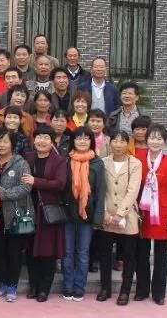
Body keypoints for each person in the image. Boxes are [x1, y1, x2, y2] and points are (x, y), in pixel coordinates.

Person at [135, 124, 167, 306]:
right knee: (142, 254)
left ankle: (159, 292)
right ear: (146, 140)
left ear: (165, 142)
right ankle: (142, 290)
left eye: (159, 138)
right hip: (143, 214)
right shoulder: (138, 159)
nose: (155, 142)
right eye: (152, 138)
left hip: (163, 215)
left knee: (161, 256)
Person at [23, 125, 68, 302]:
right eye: (38, 137)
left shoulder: (59, 161)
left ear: (52, 141)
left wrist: (35, 181)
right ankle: (33, 286)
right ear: (34, 140)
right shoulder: (28, 157)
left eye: (46, 138)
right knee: (31, 251)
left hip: (48, 212)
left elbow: (60, 184)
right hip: (29, 210)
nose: (41, 141)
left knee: (47, 253)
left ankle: (44, 289)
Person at [98, 131, 142, 306]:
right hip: (106, 216)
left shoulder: (135, 163)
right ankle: (105, 288)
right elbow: (100, 190)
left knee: (129, 256)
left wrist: (119, 214)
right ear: (110, 143)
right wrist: (104, 212)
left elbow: (133, 191)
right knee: (104, 255)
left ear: (127, 144)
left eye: (122, 141)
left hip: (127, 216)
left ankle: (125, 291)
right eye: (114, 141)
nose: (118, 145)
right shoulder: (103, 162)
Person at [62, 126, 105, 302]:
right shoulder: (65, 160)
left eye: (86, 138)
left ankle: (79, 287)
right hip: (67, 213)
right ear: (73, 141)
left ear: (91, 141)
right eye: (78, 138)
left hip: (88, 214)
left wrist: (98, 218)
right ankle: (68, 286)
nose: (82, 141)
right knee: (67, 252)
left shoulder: (97, 163)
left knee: (83, 252)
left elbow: (101, 192)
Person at [0, 127, 33, 303]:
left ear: (13, 144)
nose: (1, 144)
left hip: (15, 214)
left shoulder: (21, 163)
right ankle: (2, 282)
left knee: (14, 252)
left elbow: (26, 188)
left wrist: (4, 194)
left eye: (5, 141)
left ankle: (12, 286)